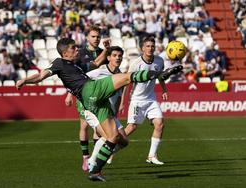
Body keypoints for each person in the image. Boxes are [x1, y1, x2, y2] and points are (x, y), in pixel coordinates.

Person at [16, 38, 182, 181]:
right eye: (74, 47)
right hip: (89, 90)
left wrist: (107, 49)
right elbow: (40, 76)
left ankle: (95, 171)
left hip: (94, 101)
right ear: (65, 52)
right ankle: (160, 74)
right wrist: (25, 80)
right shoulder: (59, 63)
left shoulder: (77, 65)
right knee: (125, 77)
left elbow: (96, 63)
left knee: (115, 138)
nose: (77, 49)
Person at [65, 25, 111, 172]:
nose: (96, 39)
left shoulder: (105, 53)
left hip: (101, 93)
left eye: (98, 36)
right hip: (84, 93)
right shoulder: (80, 53)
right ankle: (85, 156)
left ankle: (95, 159)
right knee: (84, 126)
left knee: (99, 129)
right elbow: (73, 75)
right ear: (87, 38)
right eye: (93, 36)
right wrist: (69, 93)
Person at [124, 36, 169, 165]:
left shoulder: (159, 61)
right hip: (137, 100)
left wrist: (164, 90)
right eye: (147, 46)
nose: (150, 48)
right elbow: (127, 82)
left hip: (151, 98)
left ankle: (151, 156)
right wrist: (122, 102)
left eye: (152, 46)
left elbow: (160, 77)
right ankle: (111, 148)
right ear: (142, 48)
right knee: (131, 128)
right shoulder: (136, 63)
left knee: (159, 124)